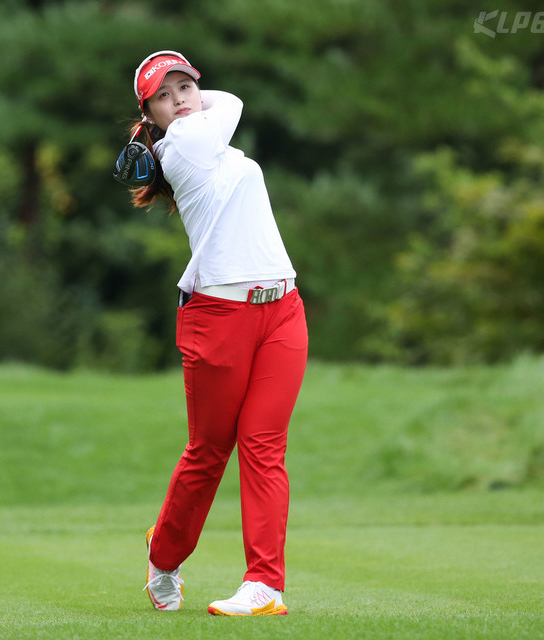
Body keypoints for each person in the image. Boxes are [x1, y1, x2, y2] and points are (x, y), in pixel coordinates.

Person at [128, 51, 309, 616]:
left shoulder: (217, 147)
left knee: (264, 445)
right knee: (209, 452)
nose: (181, 98)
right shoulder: (180, 148)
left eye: (186, 86)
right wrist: (189, 110)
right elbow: (230, 101)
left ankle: (264, 586)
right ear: (150, 115)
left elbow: (222, 107)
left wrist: (180, 101)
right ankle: (164, 557)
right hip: (218, 318)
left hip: (282, 309)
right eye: (165, 94)